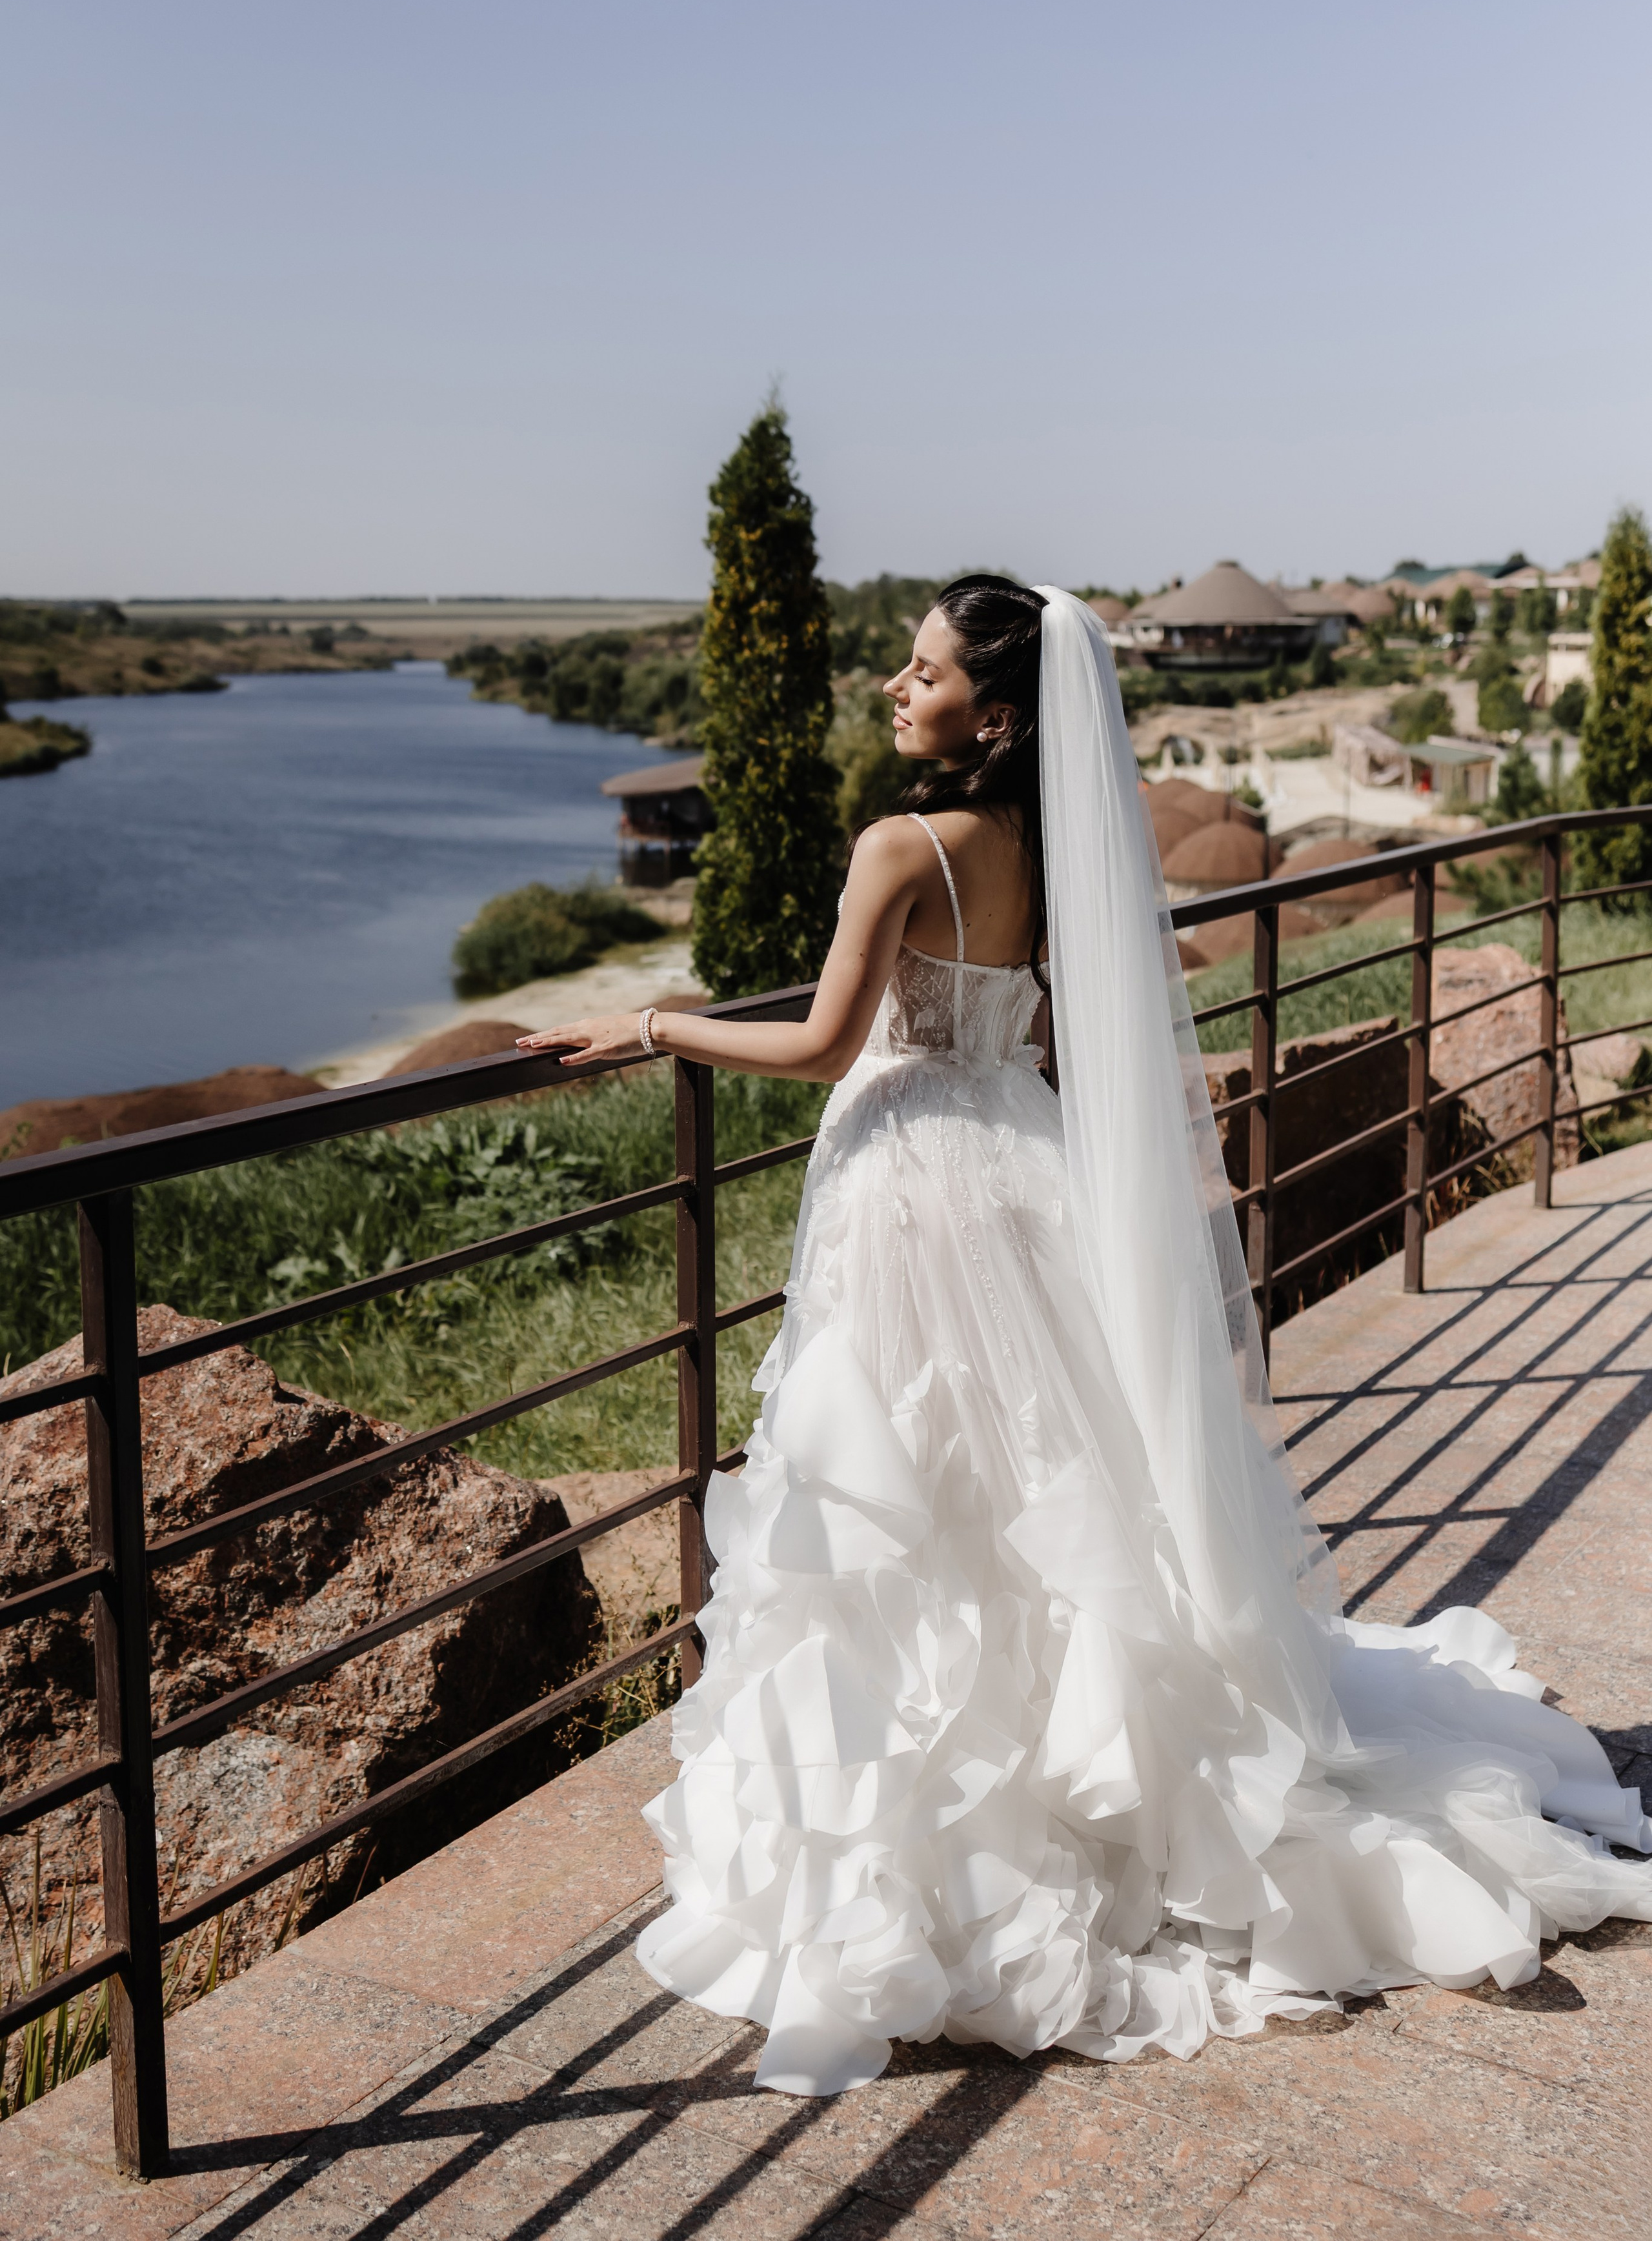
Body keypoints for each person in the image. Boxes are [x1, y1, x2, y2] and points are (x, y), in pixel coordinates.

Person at [517, 577, 1652, 2096]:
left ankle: (939, 1839)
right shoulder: (1048, 843)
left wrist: (654, 1021)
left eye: (917, 672)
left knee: (904, 1497)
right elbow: (1028, 1022)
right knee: (1042, 1480)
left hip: (911, 1186)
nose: (891, 689)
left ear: (990, 708)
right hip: (1012, 1159)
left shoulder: (897, 845)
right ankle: (1078, 1782)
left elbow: (817, 1045)